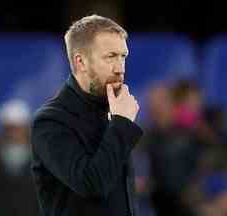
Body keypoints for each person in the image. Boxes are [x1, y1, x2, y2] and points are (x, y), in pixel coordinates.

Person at [30, 15, 143, 216]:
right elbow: (92, 184)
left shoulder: (112, 110)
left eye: (123, 56)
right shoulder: (50, 121)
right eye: (110, 57)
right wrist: (122, 123)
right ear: (80, 62)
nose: (120, 68)